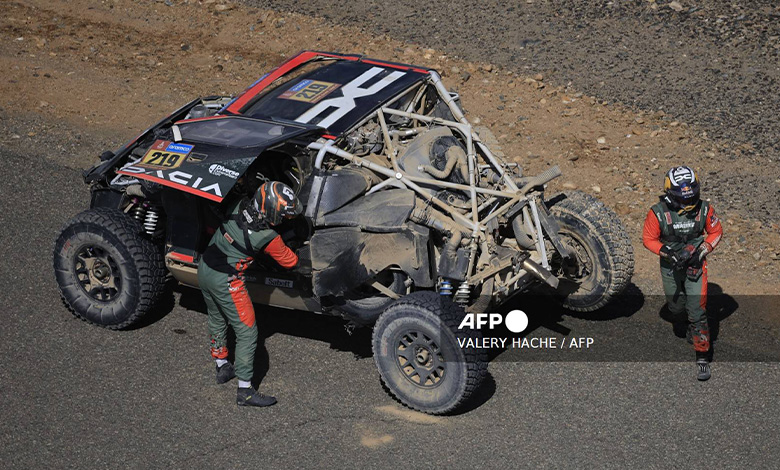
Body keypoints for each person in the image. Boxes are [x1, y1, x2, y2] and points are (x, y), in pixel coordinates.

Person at [198, 181, 301, 406]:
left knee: (217, 318)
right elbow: (290, 261)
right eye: (282, 215)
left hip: (204, 268)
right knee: (247, 332)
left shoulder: (237, 205)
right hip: (226, 280)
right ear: (271, 211)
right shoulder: (268, 237)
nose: (283, 219)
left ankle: (222, 365)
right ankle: (245, 391)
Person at [642, 166, 723, 381]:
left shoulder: (705, 209)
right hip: (670, 266)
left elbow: (716, 231)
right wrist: (666, 252)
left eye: (693, 196)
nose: (689, 202)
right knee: (676, 307)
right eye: (683, 198)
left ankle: (702, 356)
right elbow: (648, 238)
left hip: (696, 265)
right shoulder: (657, 212)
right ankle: (683, 318)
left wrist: (703, 250)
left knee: (697, 311)